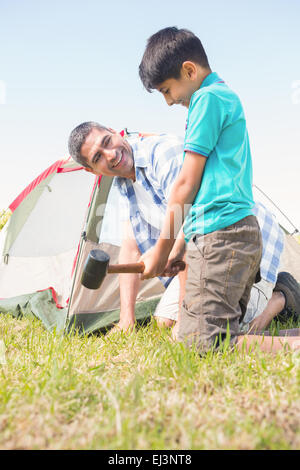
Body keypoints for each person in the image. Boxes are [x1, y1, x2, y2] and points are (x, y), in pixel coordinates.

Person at [68, 123, 300, 353]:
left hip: (241, 243)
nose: (111, 155)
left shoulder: (163, 153)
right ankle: (267, 304)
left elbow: (190, 230)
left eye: (107, 142)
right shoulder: (123, 185)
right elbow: (131, 246)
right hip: (202, 254)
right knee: (164, 322)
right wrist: (126, 319)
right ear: (92, 170)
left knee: (211, 331)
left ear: (112, 131)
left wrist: (185, 318)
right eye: (98, 157)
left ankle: (279, 299)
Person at [138, 26, 300, 353]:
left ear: (189, 69)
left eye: (167, 90)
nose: (169, 102)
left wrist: (162, 248)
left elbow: (185, 185)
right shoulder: (220, 98)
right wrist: (178, 252)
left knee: (205, 344)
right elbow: (201, 195)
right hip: (225, 235)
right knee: (189, 337)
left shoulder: (207, 99)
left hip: (223, 237)